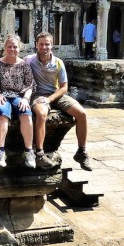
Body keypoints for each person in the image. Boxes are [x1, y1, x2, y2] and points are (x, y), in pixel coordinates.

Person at [26, 32, 92, 171]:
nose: (44, 47)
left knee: (82, 114)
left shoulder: (58, 62)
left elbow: (64, 87)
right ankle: (39, 153)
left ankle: (81, 151)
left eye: (47, 44)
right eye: (41, 44)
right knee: (42, 114)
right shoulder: (29, 60)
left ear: (52, 45)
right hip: (38, 94)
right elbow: (13, 61)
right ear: (36, 45)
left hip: (55, 94)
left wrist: (50, 99)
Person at [0, 34, 36, 168]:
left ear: (20, 48)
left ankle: (29, 151)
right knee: (2, 113)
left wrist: (25, 99)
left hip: (18, 96)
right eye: (9, 46)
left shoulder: (24, 64)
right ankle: (0, 151)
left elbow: (30, 85)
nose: (12, 49)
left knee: (26, 114)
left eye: (15, 47)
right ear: (5, 47)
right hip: (3, 95)